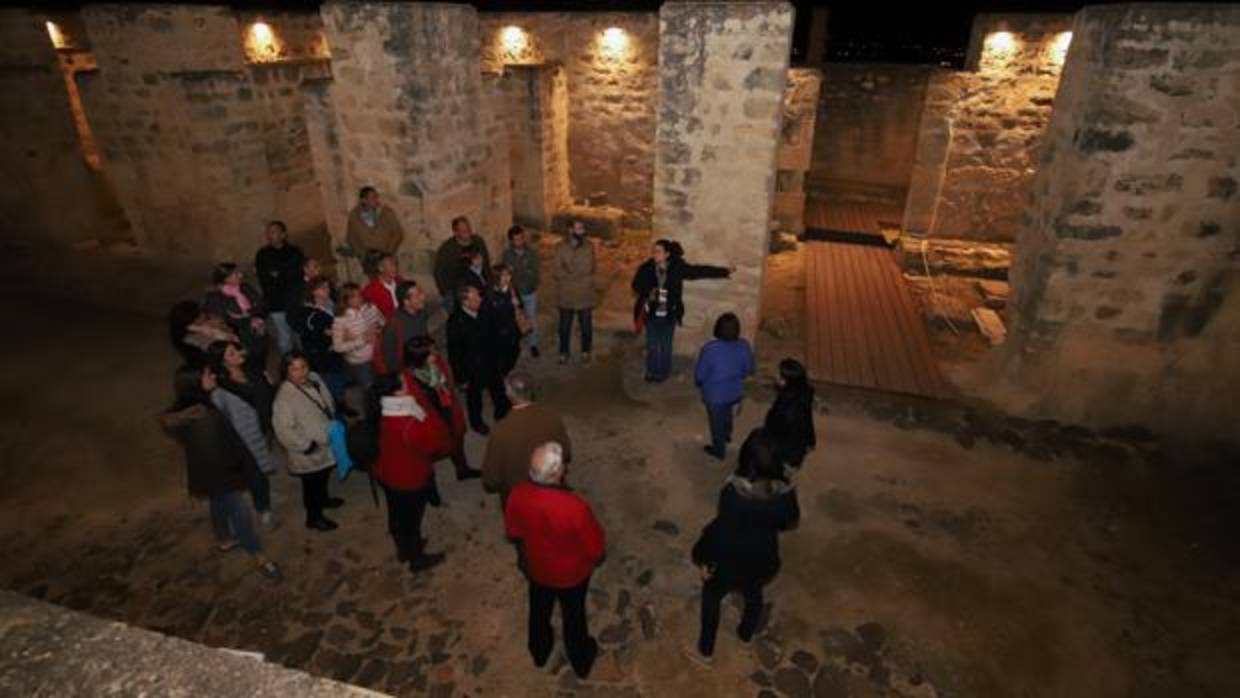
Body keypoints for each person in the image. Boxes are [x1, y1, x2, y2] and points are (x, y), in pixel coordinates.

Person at [687, 429, 799, 666]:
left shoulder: (732, 494)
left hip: (728, 562)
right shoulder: (785, 494)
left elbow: (720, 532)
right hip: (762, 560)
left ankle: (706, 651)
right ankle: (745, 635)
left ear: (746, 458)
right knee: (754, 595)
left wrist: (703, 559)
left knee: (711, 598)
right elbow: (790, 520)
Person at [160, 365, 280, 580]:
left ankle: (224, 538)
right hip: (223, 473)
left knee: (219, 501)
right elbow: (222, 447)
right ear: (196, 383)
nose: (212, 376)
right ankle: (259, 556)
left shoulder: (188, 412)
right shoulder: (205, 415)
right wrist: (240, 466)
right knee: (240, 513)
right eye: (207, 374)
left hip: (205, 473)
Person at [505, 442, 605, 679]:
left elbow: (514, 531)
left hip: (537, 567)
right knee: (574, 615)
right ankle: (580, 660)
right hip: (571, 575)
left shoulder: (518, 494)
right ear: (557, 472)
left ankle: (539, 651)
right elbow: (595, 548)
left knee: (539, 608)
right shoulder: (574, 506)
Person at [373, 375, 447, 573]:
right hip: (409, 478)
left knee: (396, 515)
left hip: (386, 472)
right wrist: (427, 415)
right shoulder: (410, 423)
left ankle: (404, 550)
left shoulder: (382, 409)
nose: (408, 384)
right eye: (404, 383)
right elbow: (433, 445)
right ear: (398, 392)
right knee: (412, 521)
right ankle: (417, 559)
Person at [631, 239, 731, 383]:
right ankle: (651, 371)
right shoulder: (646, 268)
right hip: (652, 313)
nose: (654, 254)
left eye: (658, 251)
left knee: (666, 345)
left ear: (667, 254)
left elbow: (698, 271)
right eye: (653, 251)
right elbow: (636, 285)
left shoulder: (677, 268)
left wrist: (724, 271)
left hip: (669, 314)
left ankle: (663, 373)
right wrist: (649, 291)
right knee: (652, 345)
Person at [202, 360, 277, 530]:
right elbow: (217, 420)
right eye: (232, 353)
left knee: (261, 474)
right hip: (243, 442)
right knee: (255, 476)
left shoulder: (249, 376)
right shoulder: (220, 393)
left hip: (260, 435)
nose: (240, 353)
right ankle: (263, 509)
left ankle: (262, 502)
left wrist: (269, 387)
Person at [273, 351, 343, 531]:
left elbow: (326, 400)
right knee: (312, 484)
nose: (301, 373)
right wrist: (306, 445)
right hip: (308, 450)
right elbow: (283, 429)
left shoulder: (314, 378)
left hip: (324, 439)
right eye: (294, 369)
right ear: (286, 372)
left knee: (324, 474)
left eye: (303, 367)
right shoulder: (285, 397)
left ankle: (324, 500)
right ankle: (314, 517)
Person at [482, 372, 572, 507]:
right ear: (531, 391)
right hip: (552, 492)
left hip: (518, 500)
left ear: (508, 394)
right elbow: (566, 452)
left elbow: (490, 480)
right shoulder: (552, 416)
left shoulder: (500, 430)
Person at [400, 335, 481, 481]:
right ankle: (430, 486)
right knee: (432, 451)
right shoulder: (409, 379)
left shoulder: (437, 364)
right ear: (420, 358)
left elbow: (448, 383)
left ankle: (462, 470)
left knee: (457, 441)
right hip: (431, 420)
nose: (436, 354)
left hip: (447, 410)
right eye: (431, 352)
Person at [446, 285, 511, 435]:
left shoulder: (484, 311)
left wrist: (501, 359)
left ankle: (502, 414)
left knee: (499, 391)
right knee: (474, 398)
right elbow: (454, 352)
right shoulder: (455, 322)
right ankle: (477, 423)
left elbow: (495, 334)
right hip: (472, 369)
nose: (481, 299)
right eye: (476, 297)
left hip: (492, 362)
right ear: (465, 302)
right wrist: (461, 377)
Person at [694, 313, 755, 460]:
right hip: (734, 392)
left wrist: (702, 382)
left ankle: (718, 450)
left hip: (714, 395)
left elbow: (700, 375)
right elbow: (749, 370)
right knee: (727, 413)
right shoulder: (744, 346)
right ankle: (727, 435)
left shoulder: (710, 349)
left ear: (718, 328)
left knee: (716, 423)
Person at [294, 277, 349, 413]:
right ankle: (335, 410)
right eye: (322, 288)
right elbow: (316, 335)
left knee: (340, 381)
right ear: (313, 292)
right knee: (330, 385)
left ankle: (342, 404)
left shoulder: (331, 305)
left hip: (336, 352)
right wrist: (334, 335)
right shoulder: (310, 313)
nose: (327, 291)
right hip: (323, 357)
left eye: (328, 287)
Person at [202, 262, 267, 370]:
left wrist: (250, 314)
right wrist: (243, 320)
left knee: (260, 359)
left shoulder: (246, 287)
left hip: (258, 333)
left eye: (239, 272)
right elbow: (218, 320)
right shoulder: (215, 297)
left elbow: (262, 305)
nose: (240, 275)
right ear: (226, 279)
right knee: (244, 364)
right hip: (237, 338)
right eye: (236, 274)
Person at [254, 220, 306, 355]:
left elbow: (298, 274)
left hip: (295, 299)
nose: (269, 235)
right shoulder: (262, 254)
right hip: (276, 301)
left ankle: (305, 363)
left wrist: (278, 274)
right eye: (268, 232)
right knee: (284, 336)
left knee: (300, 333)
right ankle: (288, 365)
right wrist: (281, 274)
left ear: (283, 234)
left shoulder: (294, 251)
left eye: (273, 232)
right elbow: (265, 278)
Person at [208, 339, 277, 434]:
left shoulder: (250, 365)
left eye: (236, 349)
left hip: (276, 408)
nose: (238, 353)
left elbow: (268, 384)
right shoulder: (227, 385)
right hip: (261, 423)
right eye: (232, 354)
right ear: (223, 362)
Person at [762, 358, 816, 471]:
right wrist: (810, 441)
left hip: (788, 451)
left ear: (785, 381)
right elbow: (807, 419)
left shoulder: (787, 409)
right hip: (800, 444)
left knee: (782, 475)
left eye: (778, 374)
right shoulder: (804, 391)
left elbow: (777, 430)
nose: (775, 375)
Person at [554, 220, 596, 365]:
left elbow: (589, 268)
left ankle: (586, 351)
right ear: (570, 230)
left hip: (584, 293)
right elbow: (557, 271)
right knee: (564, 327)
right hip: (566, 294)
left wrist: (568, 268)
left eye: (582, 228)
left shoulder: (589, 247)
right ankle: (563, 352)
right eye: (578, 228)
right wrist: (572, 270)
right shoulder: (560, 247)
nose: (582, 231)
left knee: (586, 326)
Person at [333, 282, 384, 395]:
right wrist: (362, 340)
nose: (360, 298)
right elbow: (337, 347)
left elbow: (382, 322)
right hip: (361, 363)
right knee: (371, 393)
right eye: (354, 296)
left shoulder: (369, 307)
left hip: (378, 355)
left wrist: (378, 329)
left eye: (360, 295)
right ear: (346, 300)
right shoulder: (341, 320)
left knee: (383, 387)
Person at [434, 216, 490, 315]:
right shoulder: (447, 249)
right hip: (457, 291)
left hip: (479, 288)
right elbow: (439, 273)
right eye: (463, 230)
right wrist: (447, 293)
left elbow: (486, 265)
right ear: (456, 232)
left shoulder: (478, 241)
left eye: (468, 228)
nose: (468, 232)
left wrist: (488, 282)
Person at [502, 224, 541, 358]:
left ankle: (533, 344)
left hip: (529, 291)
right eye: (516, 239)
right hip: (514, 293)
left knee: (531, 318)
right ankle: (516, 344)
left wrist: (519, 273)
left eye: (521, 238)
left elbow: (535, 273)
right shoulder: (507, 255)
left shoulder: (532, 253)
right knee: (516, 319)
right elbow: (507, 274)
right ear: (511, 241)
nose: (519, 242)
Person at [347, 186, 405, 275]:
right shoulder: (354, 216)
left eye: (376, 197)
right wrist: (361, 254)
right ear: (363, 200)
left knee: (391, 279)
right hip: (369, 258)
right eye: (372, 198)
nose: (376, 200)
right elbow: (351, 237)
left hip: (386, 253)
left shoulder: (386, 212)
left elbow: (397, 233)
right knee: (375, 284)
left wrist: (389, 252)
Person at [375, 281, 429, 376]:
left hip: (423, 365)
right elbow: (390, 360)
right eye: (417, 296)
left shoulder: (422, 314)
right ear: (406, 302)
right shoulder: (394, 324)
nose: (423, 297)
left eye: (421, 292)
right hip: (407, 373)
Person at [168, 300, 237, 368]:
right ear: (193, 321)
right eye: (200, 315)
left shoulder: (196, 325)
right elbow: (220, 347)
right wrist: (220, 330)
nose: (203, 314)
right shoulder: (192, 338)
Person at [485, 263, 524, 379]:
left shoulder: (512, 288)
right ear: (497, 277)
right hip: (498, 331)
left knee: (515, 351)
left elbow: (520, 305)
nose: (508, 278)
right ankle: (502, 377)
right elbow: (491, 312)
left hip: (512, 328)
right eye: (505, 275)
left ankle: (507, 372)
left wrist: (518, 304)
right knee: (502, 357)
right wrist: (509, 304)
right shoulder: (490, 293)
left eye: (509, 275)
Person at [361, 253, 406, 320]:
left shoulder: (400, 281)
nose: (395, 268)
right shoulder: (371, 290)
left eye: (396, 264)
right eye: (391, 265)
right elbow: (367, 315)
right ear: (380, 268)